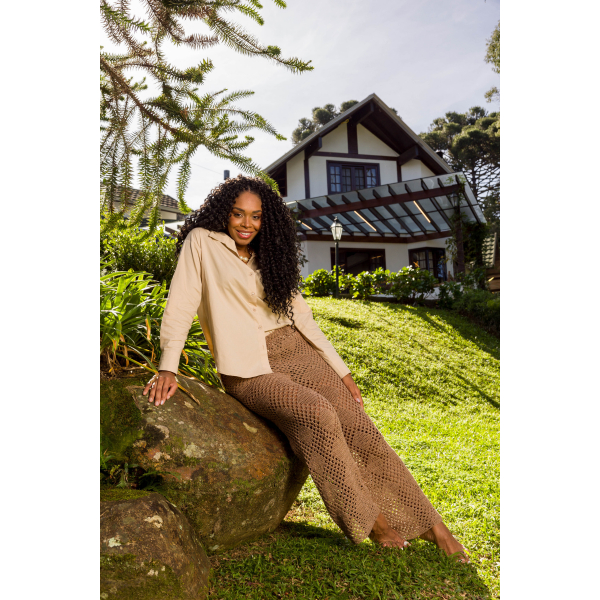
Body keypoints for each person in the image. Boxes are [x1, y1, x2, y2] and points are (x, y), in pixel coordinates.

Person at [142, 175, 469, 562]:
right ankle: (375, 522)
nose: (247, 224)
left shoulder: (271, 252)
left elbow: (305, 320)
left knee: (360, 427)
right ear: (223, 213)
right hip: (247, 368)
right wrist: (169, 367)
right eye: (238, 214)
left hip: (297, 350)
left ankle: (432, 525)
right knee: (316, 412)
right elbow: (180, 304)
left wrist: (342, 372)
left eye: (256, 217)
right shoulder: (202, 242)